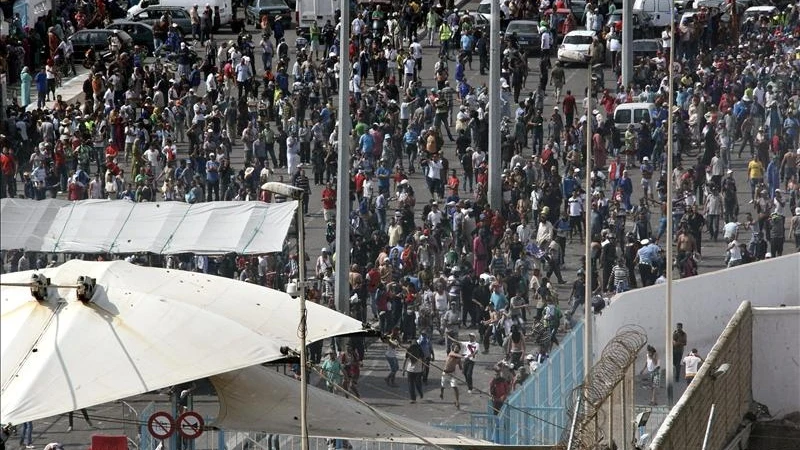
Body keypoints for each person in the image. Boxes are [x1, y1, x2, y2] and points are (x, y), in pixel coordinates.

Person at [440, 341, 463, 409]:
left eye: (458, 348)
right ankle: (441, 393)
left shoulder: (458, 358)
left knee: (454, 386)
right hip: (445, 372)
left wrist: (463, 369)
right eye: (455, 347)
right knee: (442, 385)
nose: (456, 349)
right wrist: (464, 356)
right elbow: (457, 355)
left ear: (459, 349)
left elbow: (460, 366)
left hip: (452, 373)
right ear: (453, 348)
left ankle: (457, 401)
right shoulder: (451, 353)